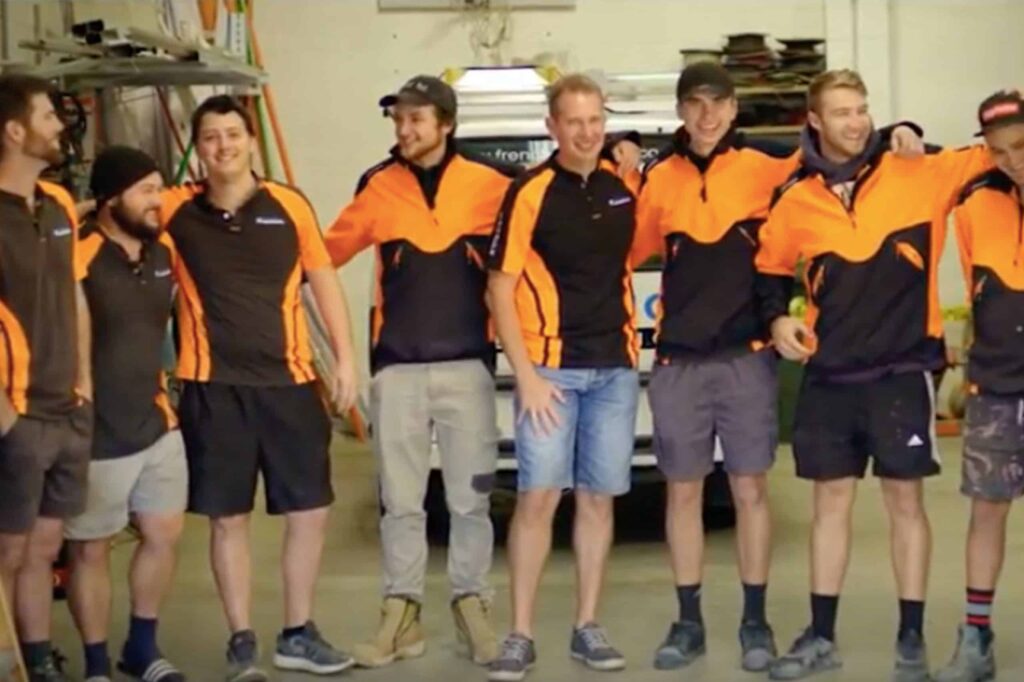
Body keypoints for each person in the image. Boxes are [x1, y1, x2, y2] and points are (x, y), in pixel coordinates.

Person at [632, 61, 924, 674]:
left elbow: (843, 148)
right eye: (695, 103)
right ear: (681, 111)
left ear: (735, 109)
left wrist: (900, 129)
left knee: (750, 491)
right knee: (682, 494)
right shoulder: (657, 178)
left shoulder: (770, 167)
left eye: (719, 102)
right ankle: (688, 622)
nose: (708, 115)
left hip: (748, 358)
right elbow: (622, 246)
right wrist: (619, 149)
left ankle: (754, 620)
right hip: (679, 361)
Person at [754, 69, 992, 682]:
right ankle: (821, 636)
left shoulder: (918, 171)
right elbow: (770, 267)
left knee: (905, 503)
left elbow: (997, 150)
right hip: (830, 375)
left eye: (861, 109)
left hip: (902, 371)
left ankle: (911, 639)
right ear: (814, 121)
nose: (856, 122)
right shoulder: (795, 197)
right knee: (829, 504)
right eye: (841, 112)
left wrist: (914, 135)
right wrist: (777, 318)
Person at [160, 95, 358, 681]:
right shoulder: (174, 210)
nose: (222, 146)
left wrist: (346, 360)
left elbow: (323, 279)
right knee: (228, 519)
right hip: (213, 387)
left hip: (290, 383)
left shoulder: (289, 205)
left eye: (232, 134)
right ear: (198, 148)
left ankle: (297, 633)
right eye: (210, 137)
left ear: (251, 140)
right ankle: (241, 640)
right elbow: (113, 215)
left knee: (309, 511)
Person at [325, 75, 510, 668]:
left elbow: (546, 228)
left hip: (469, 370)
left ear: (445, 124)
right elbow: (322, 255)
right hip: (398, 371)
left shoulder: (494, 185)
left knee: (470, 502)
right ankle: (400, 615)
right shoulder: (377, 186)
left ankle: (472, 607)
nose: (404, 130)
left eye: (416, 120)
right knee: (401, 503)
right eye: (398, 119)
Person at [486, 73, 642, 682]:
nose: (586, 132)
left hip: (614, 371)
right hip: (549, 373)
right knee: (539, 498)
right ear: (552, 127)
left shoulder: (623, 185)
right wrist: (525, 376)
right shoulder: (530, 192)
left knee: (599, 500)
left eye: (595, 120)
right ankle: (520, 634)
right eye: (573, 121)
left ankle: (587, 626)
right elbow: (499, 287)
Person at [65, 146, 187, 682]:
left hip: (157, 423)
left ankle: (142, 648)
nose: (158, 200)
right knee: (90, 549)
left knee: (163, 533)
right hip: (98, 429)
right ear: (111, 200)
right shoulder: (79, 252)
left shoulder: (163, 251)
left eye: (159, 188)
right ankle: (95, 665)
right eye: (146, 191)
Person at [0, 74, 93, 682]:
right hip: (17, 415)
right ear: (14, 131)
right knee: (6, 550)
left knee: (42, 548)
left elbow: (75, 294)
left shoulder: (58, 203)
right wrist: (5, 416)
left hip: (68, 408)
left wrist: (85, 383)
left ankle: (36, 658)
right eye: (47, 116)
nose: (60, 126)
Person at [932, 90, 1024, 682]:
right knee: (987, 510)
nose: (1012, 160)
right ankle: (975, 639)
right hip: (996, 383)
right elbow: (975, 285)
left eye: (1020, 146)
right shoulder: (974, 202)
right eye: (999, 151)